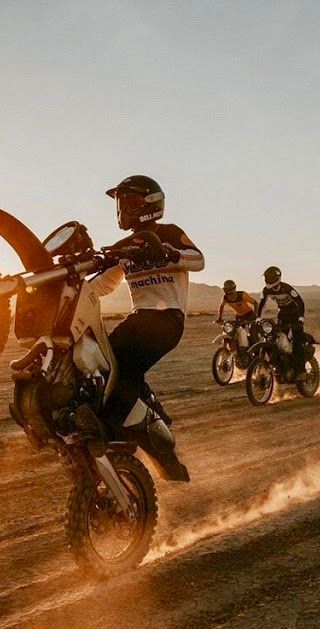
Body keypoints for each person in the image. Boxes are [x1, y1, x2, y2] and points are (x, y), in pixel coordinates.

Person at [89, 175, 205, 439]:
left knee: (128, 369)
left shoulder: (170, 232)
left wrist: (168, 253)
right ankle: (153, 411)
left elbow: (198, 260)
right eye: (121, 203)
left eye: (131, 201)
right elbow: (104, 283)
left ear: (150, 203)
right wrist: (78, 292)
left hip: (167, 319)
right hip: (138, 318)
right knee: (105, 363)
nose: (124, 209)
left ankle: (111, 432)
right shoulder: (125, 246)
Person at [256, 266, 307, 381]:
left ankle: (301, 371)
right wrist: (258, 318)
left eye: (270, 277)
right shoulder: (266, 290)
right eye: (267, 277)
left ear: (277, 277)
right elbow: (261, 304)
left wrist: (300, 319)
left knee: (297, 341)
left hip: (295, 315)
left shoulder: (287, 289)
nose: (268, 279)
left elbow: (300, 303)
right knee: (274, 337)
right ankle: (279, 366)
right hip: (283, 315)